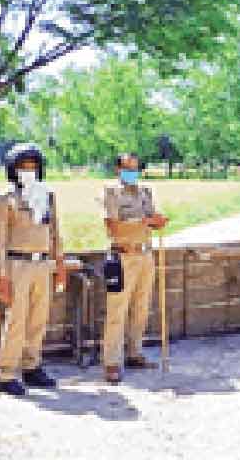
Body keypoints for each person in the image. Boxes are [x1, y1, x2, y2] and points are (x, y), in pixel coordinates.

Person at [0, 143, 66, 396]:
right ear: (13, 169)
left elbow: (54, 232)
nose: (28, 170)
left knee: (39, 319)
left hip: (42, 264)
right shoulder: (6, 198)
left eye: (33, 166)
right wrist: (2, 276)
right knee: (16, 320)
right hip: (17, 264)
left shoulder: (47, 196)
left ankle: (32, 366)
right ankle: (6, 374)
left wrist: (60, 263)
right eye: (23, 166)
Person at [102, 153, 168, 383]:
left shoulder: (145, 192)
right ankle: (112, 362)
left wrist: (158, 221)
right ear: (118, 170)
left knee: (141, 307)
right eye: (127, 168)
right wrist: (143, 222)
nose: (132, 172)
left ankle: (134, 353)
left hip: (145, 254)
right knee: (117, 310)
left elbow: (151, 218)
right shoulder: (112, 192)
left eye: (135, 168)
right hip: (123, 255)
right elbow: (113, 226)